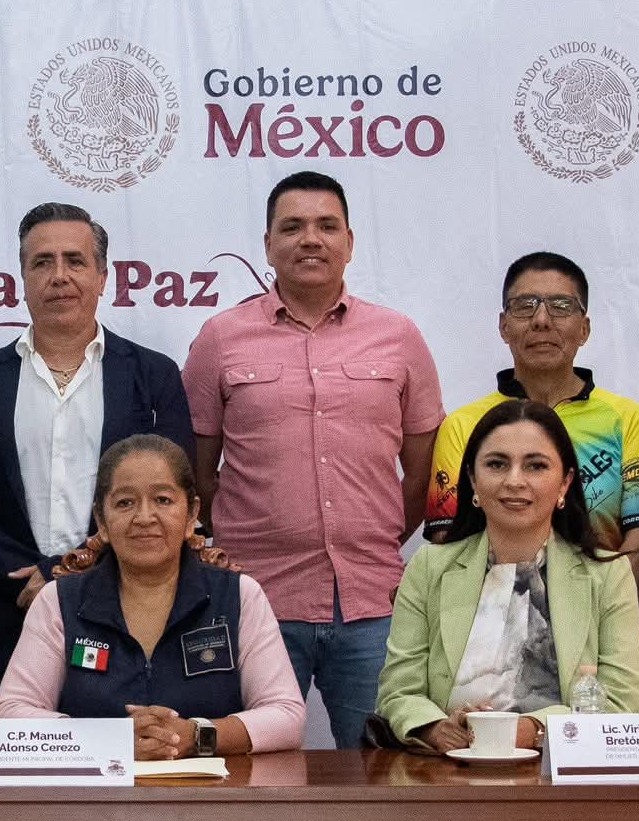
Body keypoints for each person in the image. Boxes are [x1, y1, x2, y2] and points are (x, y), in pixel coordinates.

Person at [184, 170, 444, 749]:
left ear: (349, 242)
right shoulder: (220, 339)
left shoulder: (398, 336)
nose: (310, 239)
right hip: (253, 601)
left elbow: (424, 472)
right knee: (247, 770)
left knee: (384, 770)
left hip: (372, 602)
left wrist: (375, 535)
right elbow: (197, 474)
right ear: (267, 244)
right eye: (292, 227)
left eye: (327, 226)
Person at [0, 202, 194, 717]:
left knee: (127, 767)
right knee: (3, 768)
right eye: (42, 262)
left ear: (102, 276)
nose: (59, 276)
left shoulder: (152, 377)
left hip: (125, 623)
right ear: (22, 279)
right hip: (2, 626)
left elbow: (170, 498)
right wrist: (32, 576)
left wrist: (68, 572)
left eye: (75, 260)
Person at [0, 434, 304, 759]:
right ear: (101, 521)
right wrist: (110, 740)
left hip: (216, 789)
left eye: (163, 500)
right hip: (97, 789)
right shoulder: (59, 600)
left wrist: (197, 735)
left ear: (191, 514)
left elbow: (286, 715)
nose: (144, 517)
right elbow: (10, 712)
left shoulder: (239, 596)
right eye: (125, 503)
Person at [377, 400, 639, 755]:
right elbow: (398, 691)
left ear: (565, 483)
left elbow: (623, 701)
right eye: (497, 464)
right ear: (472, 479)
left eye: (535, 465)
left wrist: (531, 730)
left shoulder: (608, 574)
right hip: (448, 769)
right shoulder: (429, 567)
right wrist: (436, 728)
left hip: (561, 771)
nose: (514, 481)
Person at [425, 252, 639, 580]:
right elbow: (448, 544)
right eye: (525, 306)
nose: (541, 320)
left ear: (584, 329)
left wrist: (595, 605)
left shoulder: (628, 420)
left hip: (600, 607)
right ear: (504, 326)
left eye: (561, 306)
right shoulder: (462, 426)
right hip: (490, 607)